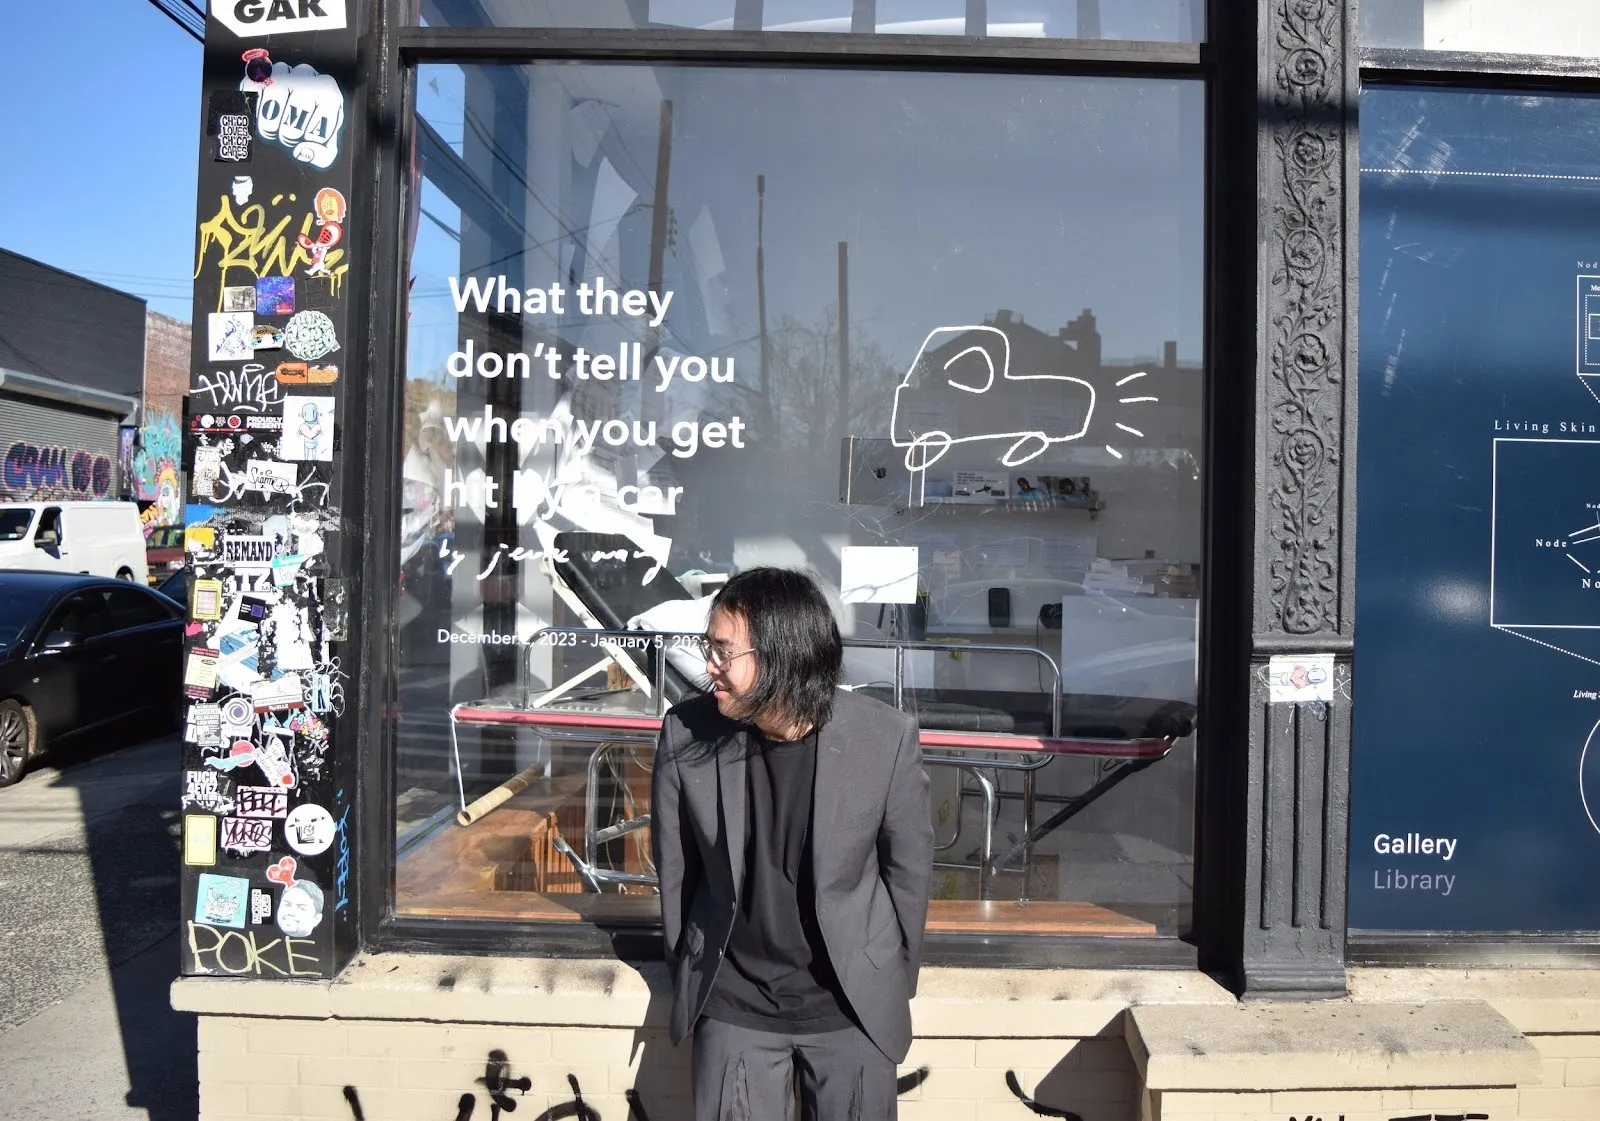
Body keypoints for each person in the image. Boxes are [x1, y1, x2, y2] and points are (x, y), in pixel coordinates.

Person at [651, 567, 934, 1121]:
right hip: (734, 1003)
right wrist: (691, 964)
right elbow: (675, 867)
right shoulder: (686, 731)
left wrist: (889, 980)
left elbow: (909, 875)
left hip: (851, 1007)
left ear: (781, 654)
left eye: (722, 651)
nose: (709, 667)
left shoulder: (884, 738)